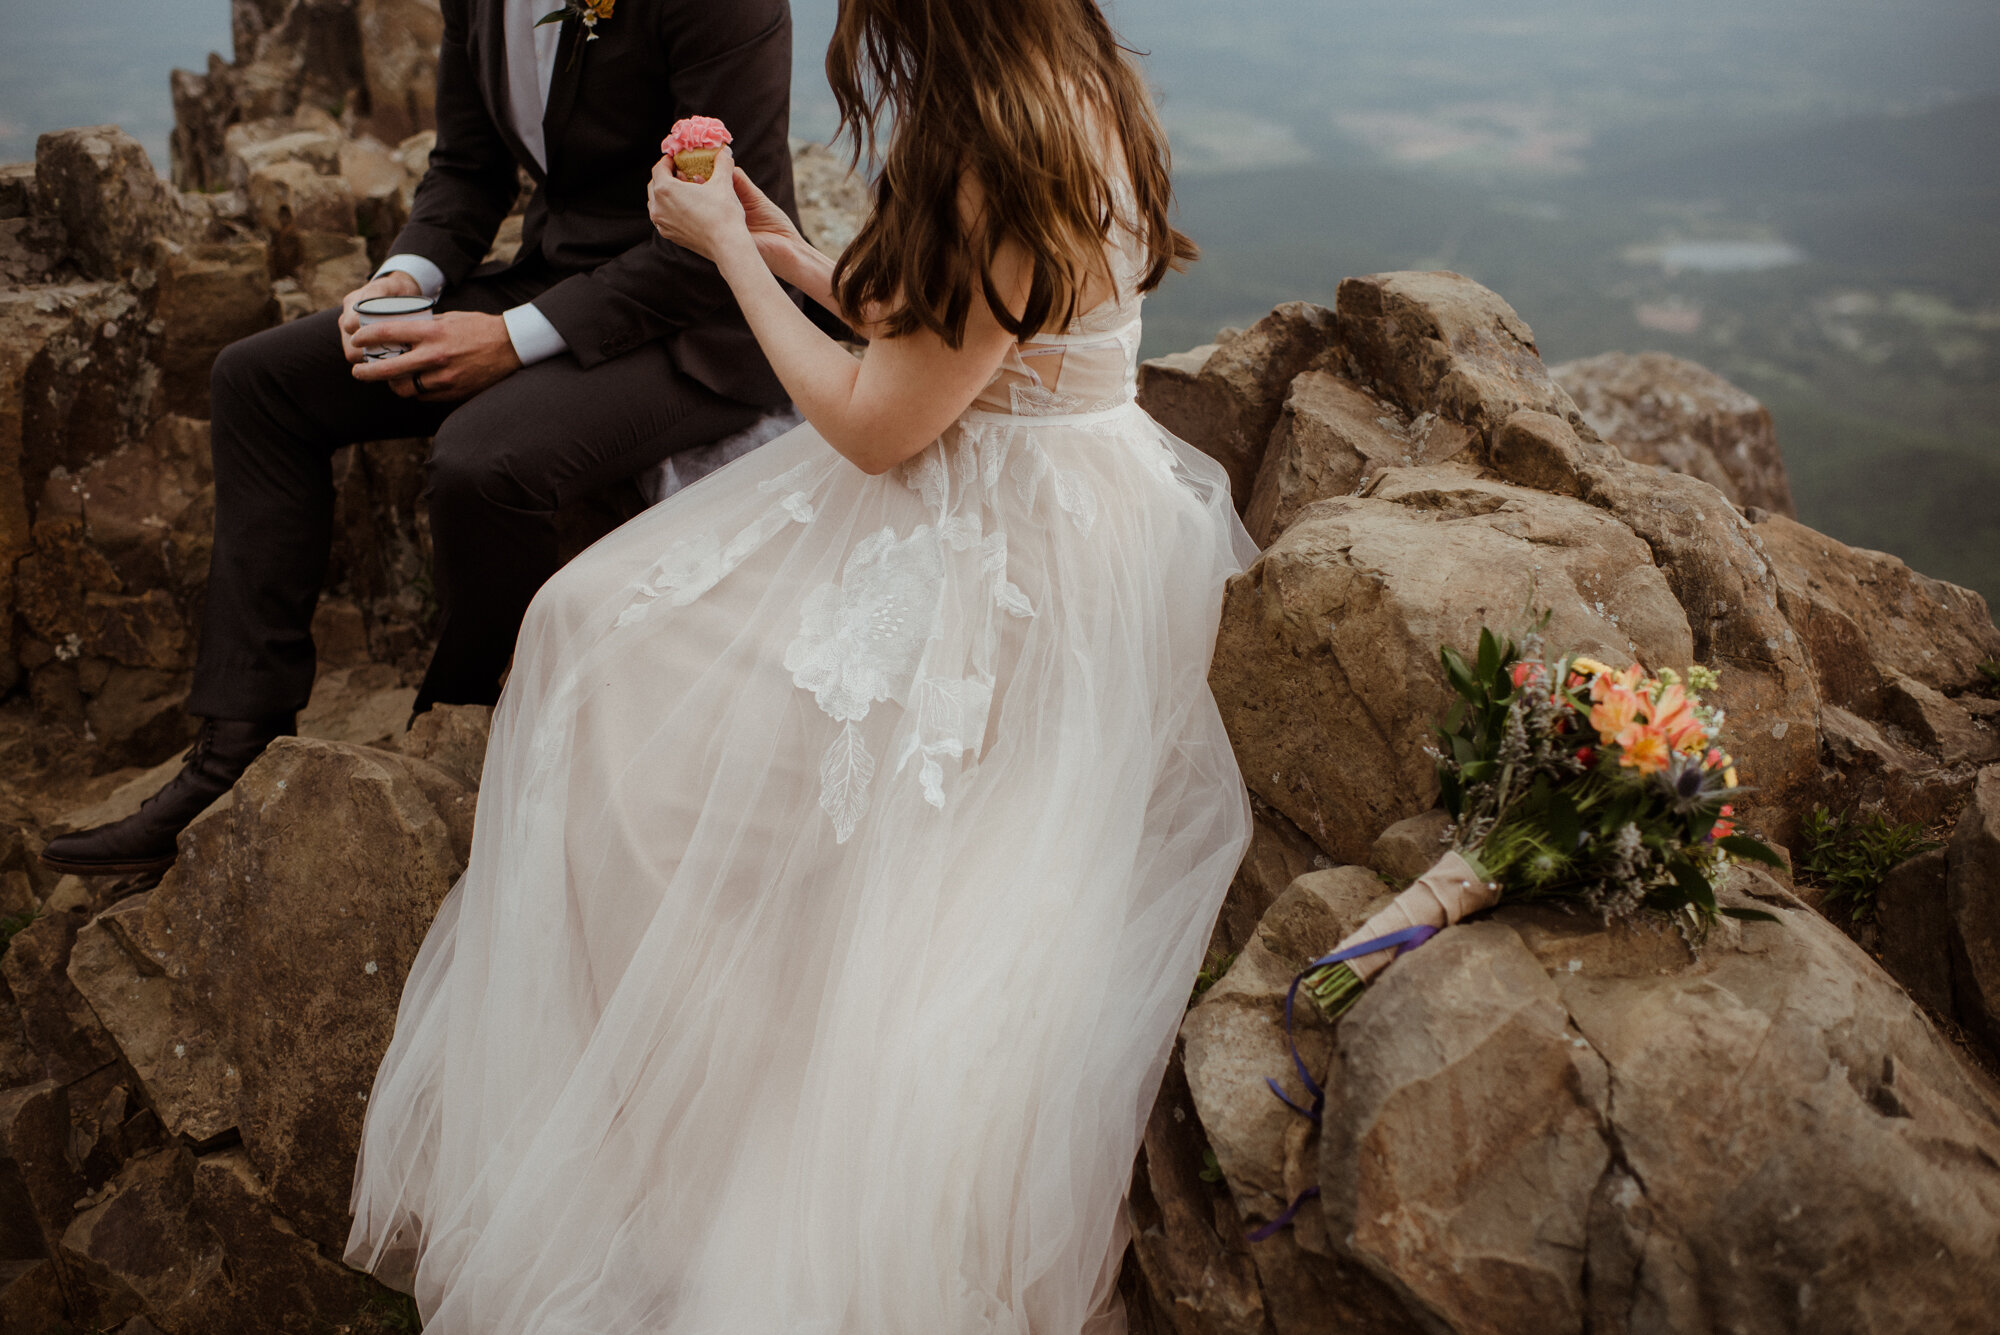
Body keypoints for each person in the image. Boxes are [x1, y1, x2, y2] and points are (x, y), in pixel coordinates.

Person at [344, 0, 1255, 1328]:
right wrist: (792, 248)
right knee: (592, 623)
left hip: (1001, 537)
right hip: (1012, 478)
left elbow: (871, 419)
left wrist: (728, 257)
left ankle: (691, 1099)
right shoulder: (1072, 77)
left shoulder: (1003, 142)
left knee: (612, 663)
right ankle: (684, 1053)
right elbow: (953, 319)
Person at [41, 0, 802, 877]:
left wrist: (508, 339)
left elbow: (723, 238)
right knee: (258, 382)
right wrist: (403, 277)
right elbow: (467, 170)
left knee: (482, 461)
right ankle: (233, 751)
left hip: (700, 325)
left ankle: (456, 740)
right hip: (551, 276)